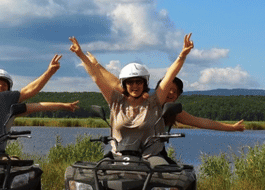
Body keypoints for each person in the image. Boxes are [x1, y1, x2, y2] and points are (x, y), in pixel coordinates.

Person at [69, 34, 193, 166]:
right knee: (97, 175)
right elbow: (96, 78)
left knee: (168, 178)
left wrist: (182, 55)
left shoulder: (154, 102)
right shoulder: (116, 101)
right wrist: (80, 54)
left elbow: (170, 75)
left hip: (149, 158)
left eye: (139, 82)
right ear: (124, 85)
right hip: (118, 157)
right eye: (130, 82)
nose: (135, 86)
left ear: (144, 84)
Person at [80, 50, 245, 133]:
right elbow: (117, 84)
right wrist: (96, 65)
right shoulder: (146, 100)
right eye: (169, 89)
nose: (171, 94)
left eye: (176, 92)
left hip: (153, 153)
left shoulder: (173, 112)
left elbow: (202, 122)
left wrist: (231, 128)